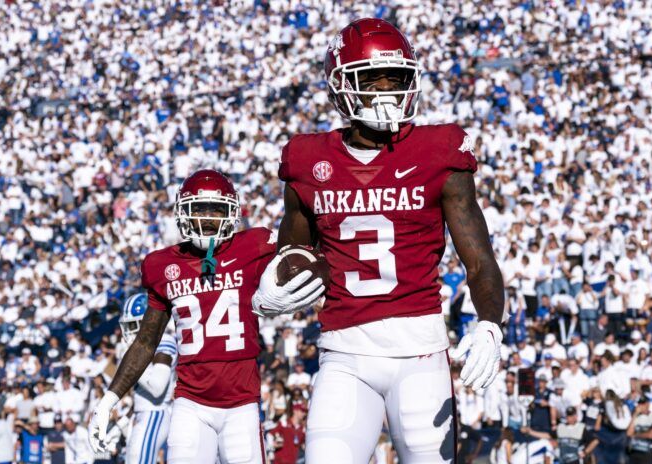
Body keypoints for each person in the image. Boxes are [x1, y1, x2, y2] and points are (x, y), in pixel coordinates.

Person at [256, 17, 505, 463]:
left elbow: (481, 261)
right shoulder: (307, 160)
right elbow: (291, 256)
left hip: (422, 352)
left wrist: (489, 323)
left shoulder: (439, 150)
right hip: (343, 352)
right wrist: (268, 291)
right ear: (340, 86)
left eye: (397, 78)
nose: (387, 90)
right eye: (372, 79)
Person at [89, 169, 320, 463]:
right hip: (190, 404)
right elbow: (146, 342)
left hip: (243, 405)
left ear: (232, 212)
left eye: (217, 210)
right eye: (199, 209)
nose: (208, 218)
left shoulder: (255, 244)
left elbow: (307, 241)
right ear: (182, 212)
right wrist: (109, 400)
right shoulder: (162, 265)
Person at [118, 292, 177, 463]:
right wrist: (125, 420)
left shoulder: (164, 341)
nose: (128, 333)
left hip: (154, 414)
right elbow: (141, 393)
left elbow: (157, 387)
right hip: (143, 414)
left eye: (133, 325)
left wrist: (132, 360)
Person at [626, 397, 652, 464]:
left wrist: (635, 435)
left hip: (647, 452)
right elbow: (629, 433)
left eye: (642, 404)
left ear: (647, 404)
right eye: (639, 404)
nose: (640, 406)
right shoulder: (635, 417)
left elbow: (650, 435)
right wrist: (635, 414)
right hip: (634, 451)